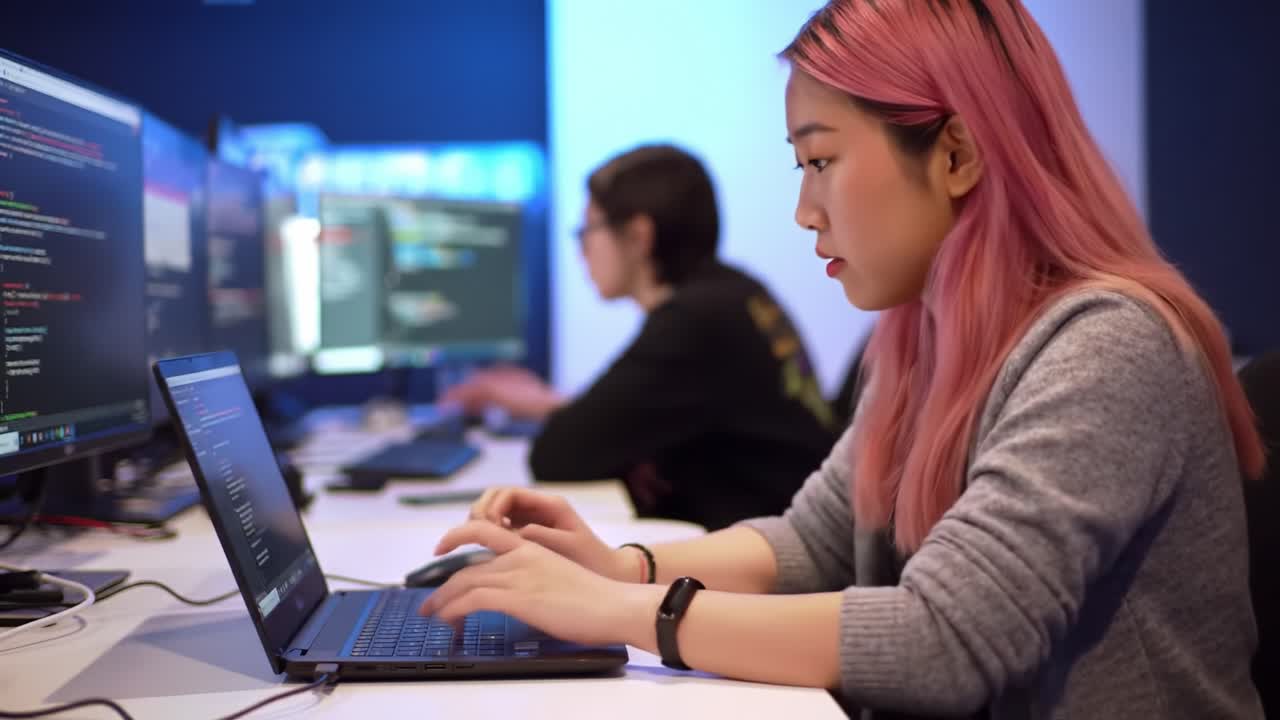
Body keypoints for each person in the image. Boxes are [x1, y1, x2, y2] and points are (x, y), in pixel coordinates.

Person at [419, 1, 1266, 717]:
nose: (803, 209)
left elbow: (947, 639)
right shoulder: (920, 338)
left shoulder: (1107, 346)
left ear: (958, 154)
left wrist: (623, 609)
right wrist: (621, 566)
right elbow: (812, 543)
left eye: (821, 160)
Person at [444, 145, 836, 530]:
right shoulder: (735, 292)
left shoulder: (695, 321)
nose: (581, 249)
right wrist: (547, 405)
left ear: (637, 236)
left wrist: (558, 415)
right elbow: (635, 417)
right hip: (777, 535)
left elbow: (556, 455)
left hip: (770, 563)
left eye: (587, 229)